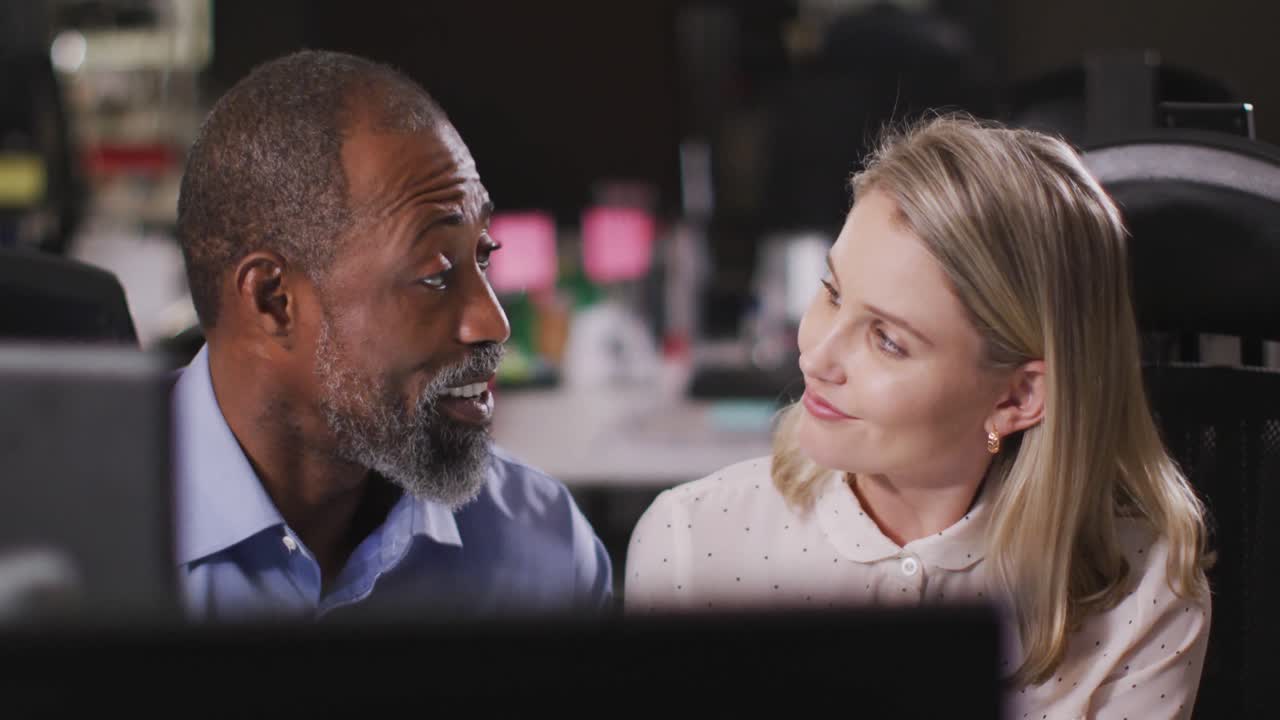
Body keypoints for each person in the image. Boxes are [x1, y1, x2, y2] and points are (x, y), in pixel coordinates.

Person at [625, 115, 1211, 718]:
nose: (816, 355)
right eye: (831, 292)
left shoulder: (1144, 590)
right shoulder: (690, 544)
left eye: (887, 341)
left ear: (1017, 399)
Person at [172, 50, 611, 620]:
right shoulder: (57, 539)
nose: (493, 323)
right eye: (434, 276)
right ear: (273, 300)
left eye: (483, 258)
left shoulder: (542, 552)